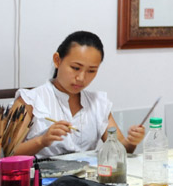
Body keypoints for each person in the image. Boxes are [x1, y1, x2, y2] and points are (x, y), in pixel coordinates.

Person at [12, 31, 145, 158]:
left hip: (87, 178)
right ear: (57, 60)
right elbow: (7, 153)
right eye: (75, 68)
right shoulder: (29, 100)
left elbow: (121, 150)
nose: (81, 78)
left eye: (91, 71)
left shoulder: (98, 103)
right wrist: (41, 141)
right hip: (42, 179)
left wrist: (132, 141)